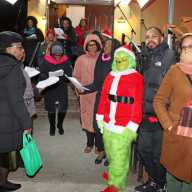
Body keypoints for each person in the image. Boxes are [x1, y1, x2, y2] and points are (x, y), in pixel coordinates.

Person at [96, 45, 144, 192]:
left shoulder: (136, 78)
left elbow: (137, 103)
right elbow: (104, 98)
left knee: (120, 158)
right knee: (111, 154)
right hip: (108, 122)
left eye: (123, 58)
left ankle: (116, 186)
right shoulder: (110, 76)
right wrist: (100, 117)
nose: (120, 61)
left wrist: (132, 125)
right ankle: (113, 176)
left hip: (124, 126)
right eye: (117, 59)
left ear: (130, 59)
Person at [135, 27, 177, 192]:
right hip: (145, 112)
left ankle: (160, 184)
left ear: (161, 38)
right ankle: (156, 182)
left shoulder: (169, 55)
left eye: (154, 36)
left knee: (158, 154)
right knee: (143, 150)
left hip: (161, 114)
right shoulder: (145, 56)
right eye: (147, 37)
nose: (150, 39)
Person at [153, 33, 192, 192]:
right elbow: (159, 100)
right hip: (177, 133)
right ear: (180, 50)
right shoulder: (174, 71)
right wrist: (168, 125)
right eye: (184, 47)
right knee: (174, 179)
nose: (188, 50)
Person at [0, 31, 32, 191]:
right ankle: (2, 182)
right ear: (7, 49)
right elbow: (16, 100)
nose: (22, 51)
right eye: (18, 47)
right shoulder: (13, 68)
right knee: (6, 154)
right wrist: (27, 123)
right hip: (8, 119)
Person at [81, 38, 120, 164]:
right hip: (100, 97)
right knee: (98, 126)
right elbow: (97, 83)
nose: (105, 47)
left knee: (110, 128)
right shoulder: (101, 59)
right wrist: (83, 88)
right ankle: (101, 149)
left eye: (109, 45)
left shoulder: (118, 60)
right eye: (105, 44)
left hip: (112, 99)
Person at [73, 34, 102, 153]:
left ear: (98, 45)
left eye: (94, 44)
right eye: (89, 45)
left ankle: (99, 146)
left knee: (98, 120)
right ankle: (89, 144)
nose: (92, 47)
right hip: (85, 95)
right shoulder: (81, 59)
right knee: (87, 119)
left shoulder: (102, 58)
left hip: (99, 94)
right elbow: (76, 76)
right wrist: (77, 88)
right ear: (86, 46)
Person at [39, 41, 72, 136]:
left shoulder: (66, 60)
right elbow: (42, 74)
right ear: (52, 53)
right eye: (55, 54)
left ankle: (60, 125)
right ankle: (52, 126)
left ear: (62, 53)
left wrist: (64, 75)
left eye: (59, 54)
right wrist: (48, 76)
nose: (57, 56)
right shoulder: (46, 60)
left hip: (61, 86)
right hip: (50, 87)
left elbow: (69, 74)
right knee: (51, 109)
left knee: (62, 108)